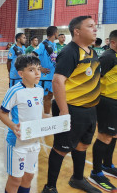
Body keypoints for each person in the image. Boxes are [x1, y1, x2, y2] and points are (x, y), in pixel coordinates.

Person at [42, 16, 102, 193]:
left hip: (89, 110)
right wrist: (64, 110)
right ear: (77, 31)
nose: (95, 29)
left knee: (82, 146)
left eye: (95, 26)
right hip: (71, 110)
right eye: (90, 26)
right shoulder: (70, 51)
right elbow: (58, 81)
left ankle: (77, 179)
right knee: (61, 148)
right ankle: (50, 187)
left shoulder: (92, 52)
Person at [0, 55, 44, 193]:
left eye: (38, 69)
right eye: (31, 70)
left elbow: (39, 113)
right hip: (17, 143)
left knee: (29, 176)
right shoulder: (15, 91)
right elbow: (2, 113)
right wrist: (13, 126)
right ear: (21, 74)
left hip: (34, 142)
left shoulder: (40, 89)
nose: (37, 73)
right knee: (16, 179)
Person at [88, 30, 117, 191]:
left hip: (115, 101)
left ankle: (107, 165)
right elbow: (94, 78)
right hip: (107, 102)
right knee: (105, 136)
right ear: (113, 42)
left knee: (114, 135)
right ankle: (96, 172)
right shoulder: (108, 56)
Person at [33, 26, 58, 115]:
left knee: (49, 97)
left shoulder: (54, 45)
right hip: (44, 77)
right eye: (57, 32)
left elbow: (53, 60)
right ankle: (39, 116)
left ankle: (46, 115)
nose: (58, 34)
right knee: (44, 97)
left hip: (52, 76)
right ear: (55, 33)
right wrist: (39, 68)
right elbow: (32, 55)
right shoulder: (43, 44)